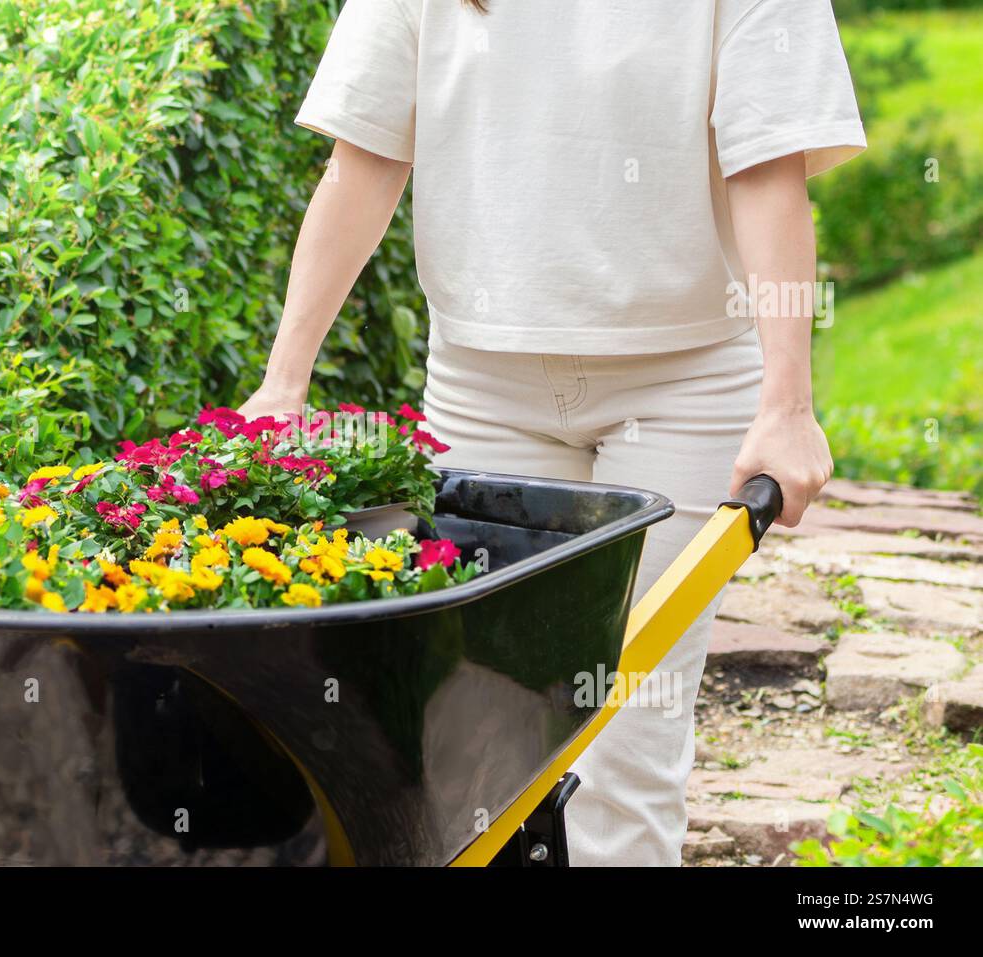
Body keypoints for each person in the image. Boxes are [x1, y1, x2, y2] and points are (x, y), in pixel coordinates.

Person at [238, 0, 865, 866]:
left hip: (683, 382)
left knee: (631, 737)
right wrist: (284, 382)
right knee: (478, 739)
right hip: (483, 387)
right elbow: (367, 157)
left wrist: (788, 405)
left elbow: (766, 166)